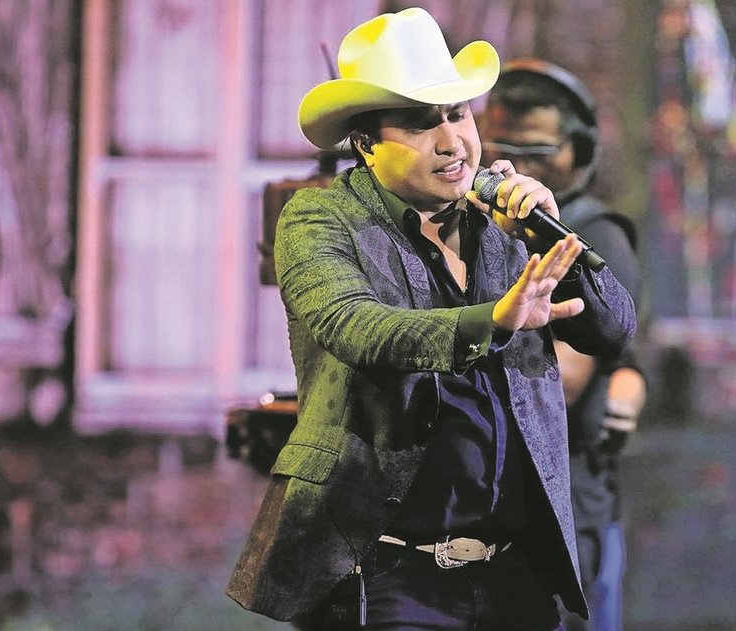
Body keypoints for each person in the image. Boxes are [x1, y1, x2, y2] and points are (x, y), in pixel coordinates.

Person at [227, 8, 636, 631]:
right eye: (421, 124)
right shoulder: (320, 219)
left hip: (512, 574)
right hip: (386, 574)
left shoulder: (501, 220)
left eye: (458, 114)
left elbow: (613, 329)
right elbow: (358, 328)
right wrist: (493, 320)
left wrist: (550, 235)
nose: (452, 141)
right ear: (365, 143)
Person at [481, 59, 648, 631]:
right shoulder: (480, 228)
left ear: (580, 152)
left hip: (563, 509)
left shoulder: (594, 235)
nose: (518, 166)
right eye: (502, 149)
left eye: (537, 150)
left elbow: (556, 384)